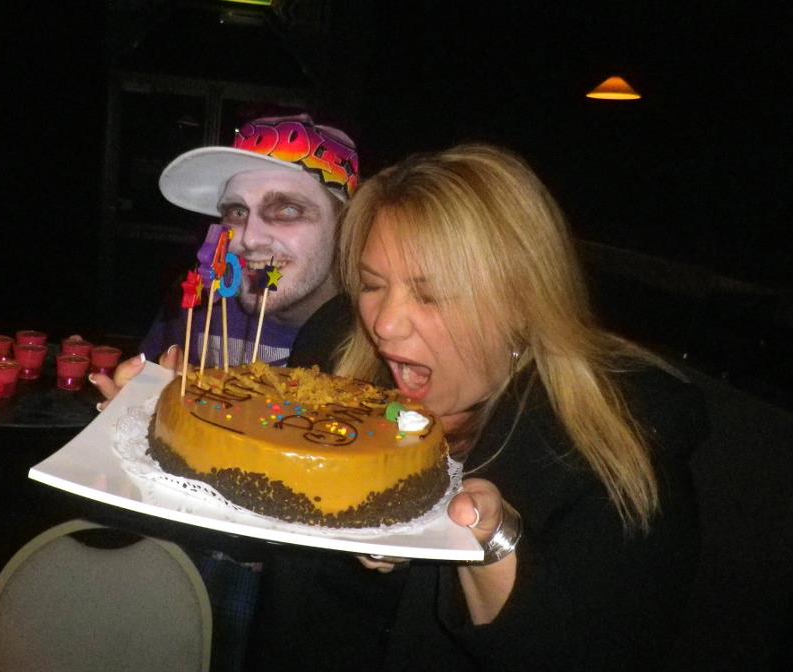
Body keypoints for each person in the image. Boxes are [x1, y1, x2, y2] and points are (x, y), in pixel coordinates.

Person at [246, 144, 710, 670]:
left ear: (521, 303)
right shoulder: (335, 355)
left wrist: (490, 542)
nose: (385, 324)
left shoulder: (614, 451)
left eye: (430, 295)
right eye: (373, 285)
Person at [90, 114, 359, 672]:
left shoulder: (375, 346)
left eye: (286, 209)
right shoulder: (196, 311)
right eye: (236, 212)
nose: (249, 238)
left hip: (289, 594)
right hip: (173, 556)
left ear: (347, 226)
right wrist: (134, 422)